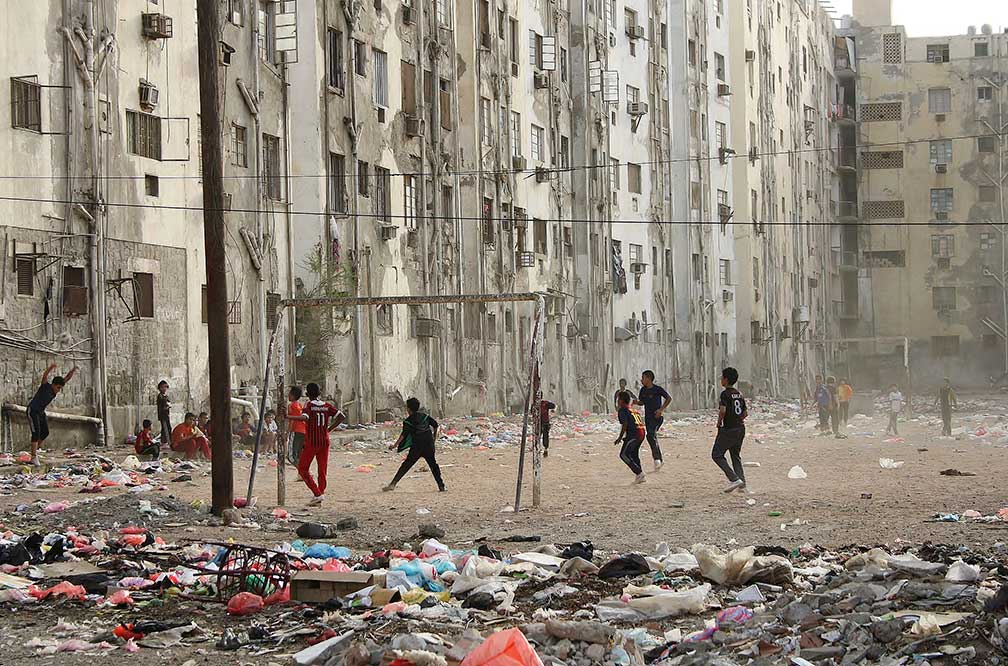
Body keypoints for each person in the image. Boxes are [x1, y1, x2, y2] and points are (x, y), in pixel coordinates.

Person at [383, 397, 446, 492]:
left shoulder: (408, 421)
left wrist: (395, 445)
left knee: (406, 466)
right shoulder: (425, 416)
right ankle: (441, 486)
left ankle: (393, 484)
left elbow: (403, 435)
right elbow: (435, 425)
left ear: (408, 409)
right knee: (433, 466)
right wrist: (433, 438)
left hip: (417, 447)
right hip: (429, 446)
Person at [298, 383, 345, 506]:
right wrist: (329, 429)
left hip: (312, 441)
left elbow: (304, 417)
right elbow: (341, 417)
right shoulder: (326, 406)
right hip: (324, 441)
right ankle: (321, 493)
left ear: (307, 394)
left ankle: (317, 493)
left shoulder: (308, 405)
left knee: (303, 468)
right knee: (322, 470)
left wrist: (288, 417)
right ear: (320, 393)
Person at [27, 363, 78, 465]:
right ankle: (33, 457)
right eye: (58, 387)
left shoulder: (55, 390)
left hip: (41, 412)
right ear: (53, 384)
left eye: (60, 388)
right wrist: (50, 368)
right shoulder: (45, 386)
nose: (58, 390)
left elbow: (66, 378)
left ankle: (35, 450)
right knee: (36, 433)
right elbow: (45, 376)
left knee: (45, 432)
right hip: (32, 410)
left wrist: (72, 371)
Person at [712, 367, 748, 493]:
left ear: (726, 380)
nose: (721, 379)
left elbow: (723, 410)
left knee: (717, 454)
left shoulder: (725, 394)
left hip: (729, 429)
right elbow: (745, 413)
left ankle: (734, 479)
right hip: (740, 428)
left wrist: (719, 421)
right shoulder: (739, 393)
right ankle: (742, 484)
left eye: (722, 377)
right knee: (735, 455)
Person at [634, 370, 670, 471]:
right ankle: (659, 460)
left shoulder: (657, 389)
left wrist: (661, 409)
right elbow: (642, 402)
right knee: (651, 436)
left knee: (650, 435)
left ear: (649, 378)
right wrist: (637, 402)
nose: (641, 380)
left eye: (643, 378)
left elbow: (668, 398)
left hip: (657, 417)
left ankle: (657, 459)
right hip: (648, 418)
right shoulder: (643, 390)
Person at [614, 391, 647, 484]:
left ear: (621, 400)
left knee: (623, 455)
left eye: (618, 399)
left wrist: (620, 437)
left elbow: (625, 424)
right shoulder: (633, 409)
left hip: (634, 434)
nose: (617, 401)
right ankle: (640, 475)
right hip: (641, 432)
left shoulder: (622, 410)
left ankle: (639, 473)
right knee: (634, 455)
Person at [285, 385, 306, 466]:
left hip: (296, 430)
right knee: (299, 454)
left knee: (291, 456)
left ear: (293, 395)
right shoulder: (299, 405)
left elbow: (292, 420)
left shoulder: (291, 405)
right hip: (303, 431)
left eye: (289, 394)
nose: (288, 396)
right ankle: (302, 473)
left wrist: (287, 433)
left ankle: (303, 472)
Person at [156, 380, 172, 448]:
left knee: (167, 428)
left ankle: (165, 441)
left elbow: (168, 403)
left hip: (166, 415)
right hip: (163, 415)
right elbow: (162, 406)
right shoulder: (160, 396)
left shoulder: (166, 396)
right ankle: (165, 442)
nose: (164, 388)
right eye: (162, 387)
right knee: (166, 428)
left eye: (165, 387)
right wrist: (166, 406)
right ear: (159, 388)